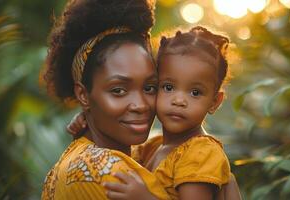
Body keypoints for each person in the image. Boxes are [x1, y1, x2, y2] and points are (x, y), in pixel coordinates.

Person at [69, 26, 242, 200]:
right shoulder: (152, 147)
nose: (178, 100)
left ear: (214, 102)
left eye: (195, 92)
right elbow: (109, 154)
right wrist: (88, 120)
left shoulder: (201, 153)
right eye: (168, 87)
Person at [41, 0, 170, 199]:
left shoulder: (78, 158)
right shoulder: (111, 173)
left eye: (149, 88)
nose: (141, 105)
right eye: (118, 90)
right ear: (83, 95)